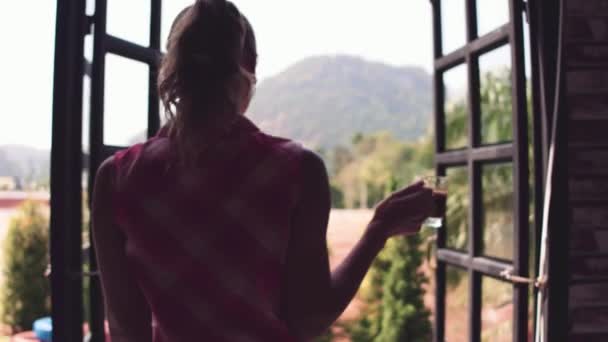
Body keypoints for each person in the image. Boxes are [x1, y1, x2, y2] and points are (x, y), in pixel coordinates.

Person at [91, 1, 434, 341]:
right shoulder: (298, 171)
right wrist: (378, 229)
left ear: (172, 66)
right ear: (249, 67)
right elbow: (309, 320)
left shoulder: (117, 178)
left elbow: (125, 331)